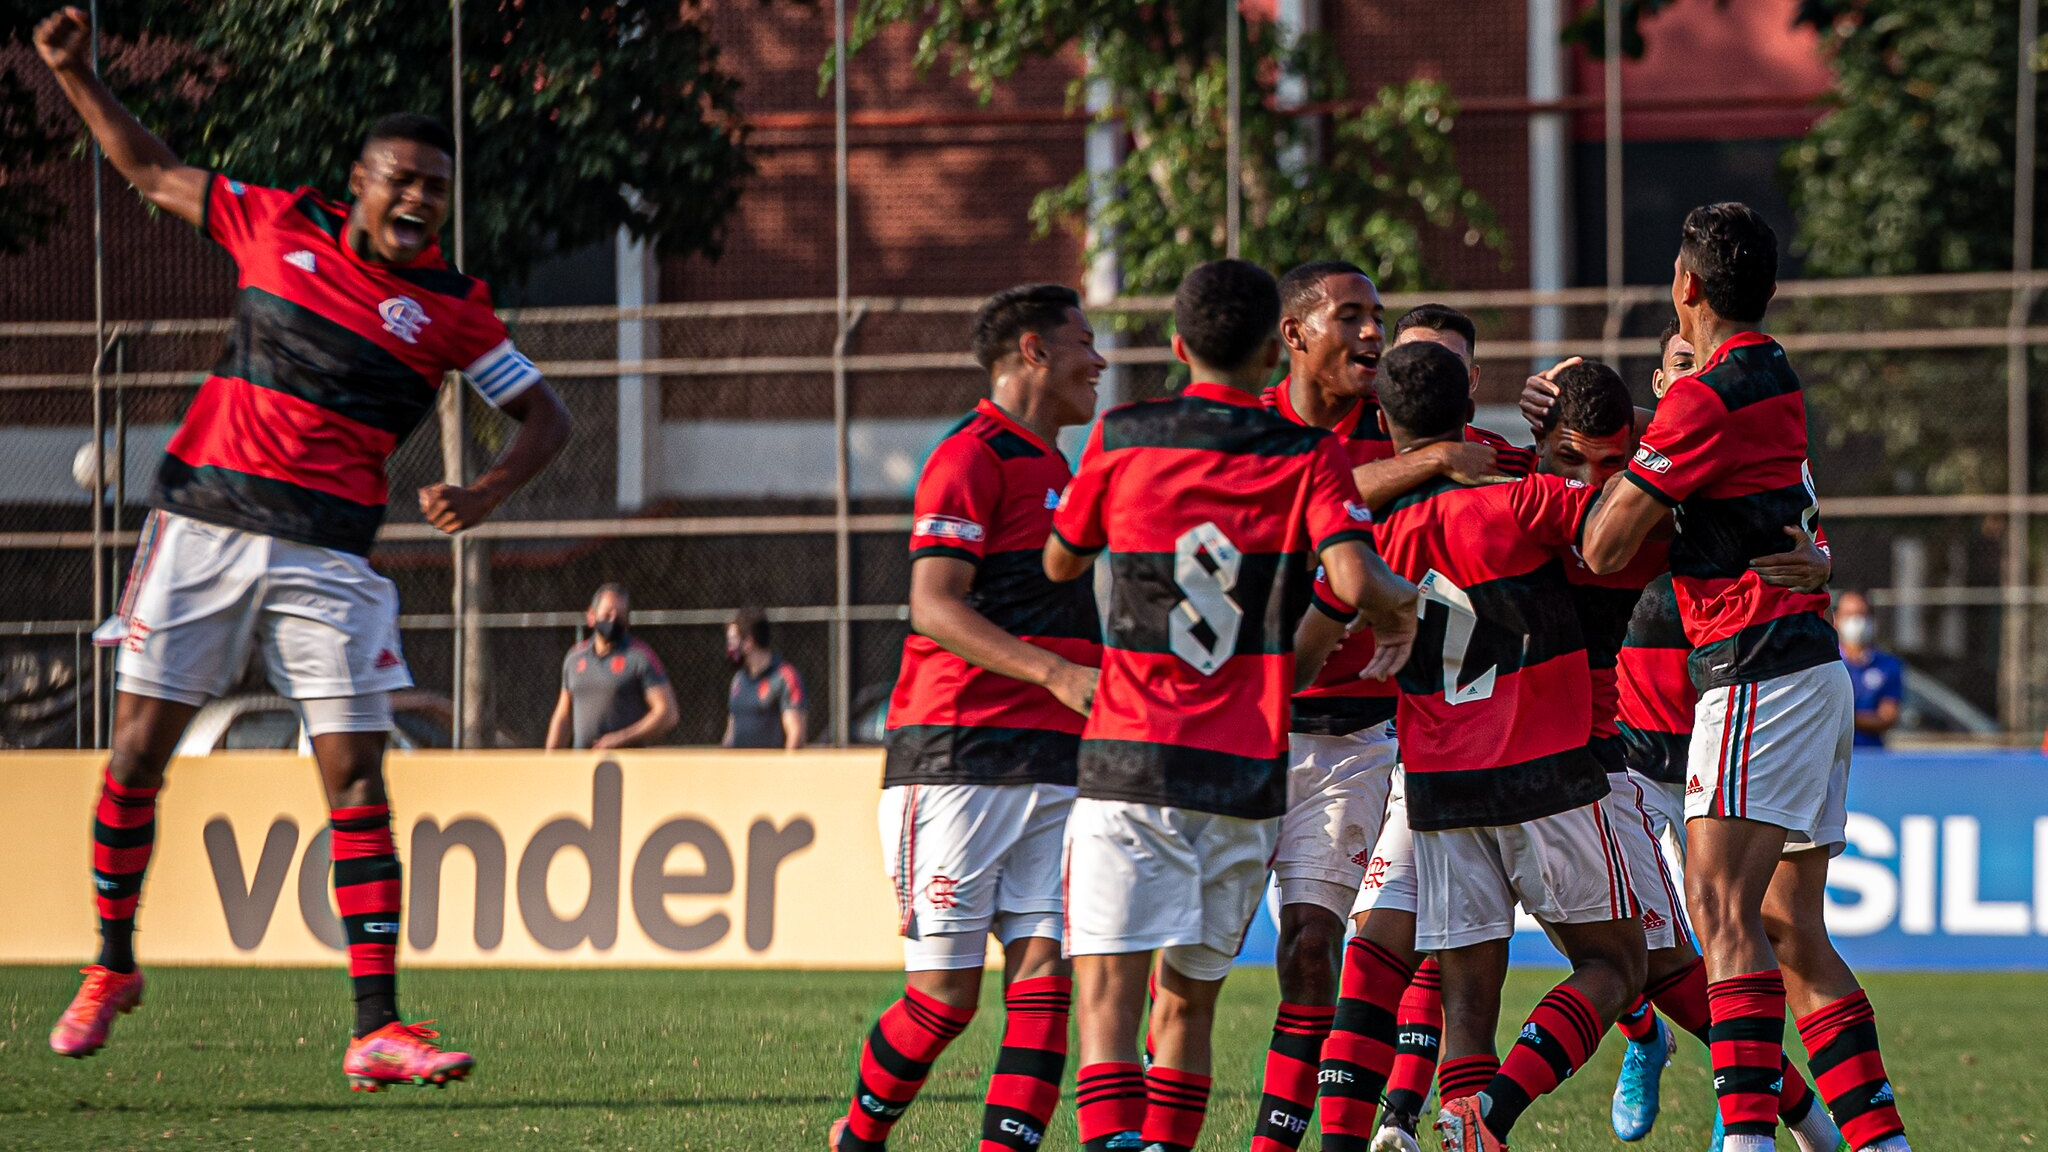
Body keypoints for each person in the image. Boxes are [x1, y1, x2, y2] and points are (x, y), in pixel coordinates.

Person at [33, 7, 571, 1089]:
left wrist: (486, 488)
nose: (419, 198)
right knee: (137, 754)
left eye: (436, 187)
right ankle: (111, 963)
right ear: (358, 181)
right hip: (202, 528)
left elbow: (546, 417)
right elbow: (151, 169)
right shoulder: (271, 221)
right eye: (401, 178)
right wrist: (80, 76)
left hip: (329, 558)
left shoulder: (457, 309)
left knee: (357, 781)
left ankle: (377, 1026)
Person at [1044, 259, 1418, 1152]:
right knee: (1189, 1000)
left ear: (1177, 346)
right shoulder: (1308, 454)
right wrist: (1397, 608)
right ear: (1270, 349)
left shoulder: (1125, 434)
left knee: (1107, 1003)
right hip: (1244, 772)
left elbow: (1061, 559)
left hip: (1131, 757)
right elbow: (1355, 577)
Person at [1581, 203, 1910, 1152]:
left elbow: (1604, 548)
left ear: (1686, 286)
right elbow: (1777, 510)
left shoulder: (1707, 394)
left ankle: (1745, 1139)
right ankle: (1879, 1140)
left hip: (1755, 670)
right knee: (1787, 924)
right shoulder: (1776, 372)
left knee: (1720, 908)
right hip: (1809, 670)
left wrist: (1609, 467)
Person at [1302, 341, 1645, 1152]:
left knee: (1465, 1001)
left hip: (1438, 787)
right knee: (1614, 968)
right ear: (1473, 413)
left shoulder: (1373, 537)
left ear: (1383, 420)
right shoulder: (1519, 501)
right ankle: (1488, 1116)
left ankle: (1460, 1127)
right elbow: (1615, 516)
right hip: (1546, 771)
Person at [1247, 270, 1529, 1152]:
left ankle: (1329, 1135)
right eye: (1356, 318)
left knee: (1318, 951)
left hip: (1362, 738)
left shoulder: (1400, 424)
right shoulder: (1253, 427)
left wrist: (1570, 442)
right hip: (1241, 728)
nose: (1378, 336)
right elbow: (1310, 503)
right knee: (1192, 966)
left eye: (1381, 320)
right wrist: (1430, 462)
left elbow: (1518, 480)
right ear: (1297, 335)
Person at [828, 284, 1106, 1152]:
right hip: (956, 757)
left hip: (1055, 762)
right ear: (1033, 351)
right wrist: (1056, 671)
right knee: (944, 999)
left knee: (1047, 981)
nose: (1098, 361)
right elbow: (933, 605)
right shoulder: (971, 453)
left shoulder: (1061, 466)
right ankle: (858, 1140)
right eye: (1083, 343)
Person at [545, 584, 678, 750]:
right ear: (592, 616)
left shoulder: (640, 656)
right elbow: (563, 715)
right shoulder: (574, 657)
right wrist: (550, 758)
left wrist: (620, 738)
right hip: (582, 766)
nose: (613, 619)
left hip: (626, 767)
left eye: (620, 615)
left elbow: (668, 713)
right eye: (607, 613)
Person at [723, 609, 807, 750]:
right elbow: (731, 732)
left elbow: (795, 734)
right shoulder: (738, 679)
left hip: (771, 770)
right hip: (738, 770)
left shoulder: (784, 677)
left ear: (748, 642)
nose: (729, 647)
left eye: (733, 640)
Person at [1835, 591, 1903, 748]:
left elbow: (1887, 718)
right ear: (1836, 618)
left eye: (1861, 614)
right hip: (1830, 754)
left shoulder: (1888, 665)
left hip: (1870, 753)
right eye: (1849, 614)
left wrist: (1842, 716)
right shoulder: (1824, 662)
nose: (1855, 621)